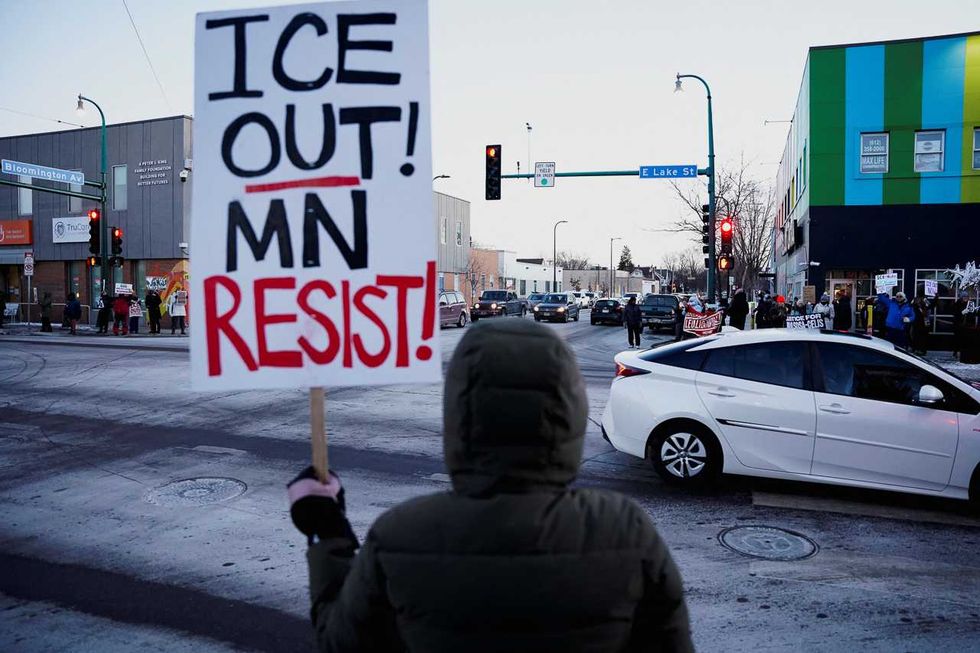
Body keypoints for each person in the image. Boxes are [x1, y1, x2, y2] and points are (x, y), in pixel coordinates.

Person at [287, 320, 693, 652]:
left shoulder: (401, 536)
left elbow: (342, 642)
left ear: (460, 411)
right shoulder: (625, 531)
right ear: (569, 409)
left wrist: (328, 534)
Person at [952, 291, 969, 358]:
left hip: (965, 324)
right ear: (962, 297)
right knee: (957, 339)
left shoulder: (967, 304)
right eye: (965, 297)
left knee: (964, 339)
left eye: (967, 297)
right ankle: (956, 352)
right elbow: (955, 313)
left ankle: (963, 352)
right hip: (958, 324)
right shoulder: (957, 304)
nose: (966, 298)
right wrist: (961, 313)